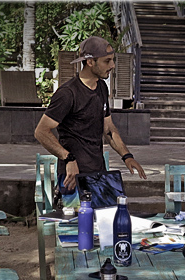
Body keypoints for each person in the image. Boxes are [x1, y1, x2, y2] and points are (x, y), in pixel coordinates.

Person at [35, 35, 146, 206]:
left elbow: (108, 129)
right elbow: (41, 131)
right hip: (73, 177)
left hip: (99, 175)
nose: (113, 65)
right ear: (90, 62)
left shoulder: (102, 87)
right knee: (77, 229)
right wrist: (68, 158)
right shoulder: (68, 93)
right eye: (107, 61)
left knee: (108, 225)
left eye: (113, 60)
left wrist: (127, 156)